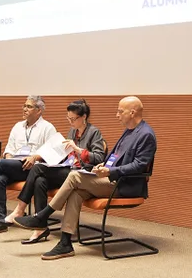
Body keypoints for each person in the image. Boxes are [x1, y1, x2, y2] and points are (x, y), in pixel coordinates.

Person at [14, 96, 157, 260]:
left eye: (120, 111)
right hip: (110, 179)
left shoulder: (146, 135)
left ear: (132, 113)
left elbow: (139, 165)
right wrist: (102, 166)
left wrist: (110, 172)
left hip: (126, 185)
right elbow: (114, 157)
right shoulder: (129, 131)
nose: (117, 115)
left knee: (75, 176)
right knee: (76, 192)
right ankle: (65, 244)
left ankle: (42, 216)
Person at [2, 99, 106, 243]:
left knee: (38, 167)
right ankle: (40, 228)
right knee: (40, 180)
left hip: (82, 174)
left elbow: (99, 156)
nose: (70, 122)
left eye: (73, 119)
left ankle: (21, 209)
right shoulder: (72, 131)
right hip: (68, 168)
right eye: (68, 118)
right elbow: (67, 154)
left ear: (84, 117)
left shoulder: (94, 132)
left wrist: (77, 149)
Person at [0, 95, 57, 235]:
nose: (24, 109)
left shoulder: (48, 128)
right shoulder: (18, 126)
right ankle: (1, 222)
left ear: (39, 110)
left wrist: (34, 159)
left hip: (34, 168)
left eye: (29, 106)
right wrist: (9, 158)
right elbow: (8, 149)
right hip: (16, 165)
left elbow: (52, 154)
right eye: (24, 106)